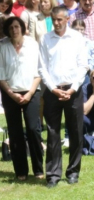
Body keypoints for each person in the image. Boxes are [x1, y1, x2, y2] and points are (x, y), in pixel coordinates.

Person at [38, 6, 87, 188]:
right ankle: (52, 174)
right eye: (54, 19)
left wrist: (73, 88)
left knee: (75, 132)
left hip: (73, 91)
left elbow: (83, 65)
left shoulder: (77, 38)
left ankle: (73, 172)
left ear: (67, 19)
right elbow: (42, 67)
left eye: (60, 19)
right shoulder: (45, 39)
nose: (57, 23)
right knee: (52, 133)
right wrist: (52, 88)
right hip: (53, 92)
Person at [0, 17, 44, 181]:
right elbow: (1, 74)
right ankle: (21, 171)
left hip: (31, 90)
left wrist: (30, 93)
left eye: (17, 26)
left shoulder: (32, 44)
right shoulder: (2, 46)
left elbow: (39, 71)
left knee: (33, 129)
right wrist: (12, 94)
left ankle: (38, 169)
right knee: (15, 131)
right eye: (11, 28)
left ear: (23, 27)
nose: (14, 30)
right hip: (10, 91)